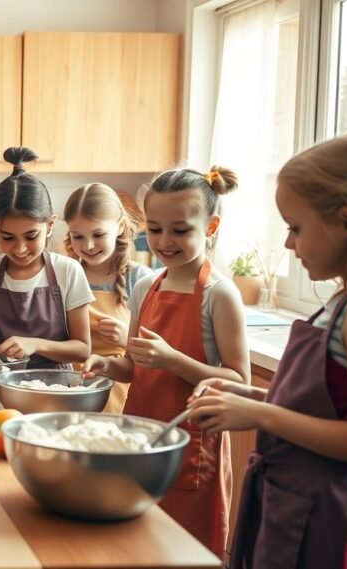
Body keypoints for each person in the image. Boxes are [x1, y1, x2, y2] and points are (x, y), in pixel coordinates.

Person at [189, 133, 347, 568]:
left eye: (296, 227)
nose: (287, 244)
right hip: (293, 504)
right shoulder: (341, 302)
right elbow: (330, 413)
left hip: (333, 520)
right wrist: (251, 398)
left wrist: (262, 415)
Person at [84, 166, 249, 556]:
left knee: (182, 552)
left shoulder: (220, 294)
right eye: (155, 229)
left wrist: (173, 359)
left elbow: (238, 379)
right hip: (139, 441)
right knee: (136, 549)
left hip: (191, 447)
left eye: (180, 229)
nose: (164, 241)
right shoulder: (146, 286)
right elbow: (132, 366)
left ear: (210, 227)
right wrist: (106, 366)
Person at [0, 147, 94, 369]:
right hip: (0, 389)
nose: (20, 248)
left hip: (56, 390)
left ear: (50, 225)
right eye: (7, 237)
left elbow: (82, 349)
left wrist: (36, 345)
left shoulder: (68, 270)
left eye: (31, 236)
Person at [63, 182, 153, 412]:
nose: (89, 245)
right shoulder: (65, 274)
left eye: (98, 234)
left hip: (120, 391)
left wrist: (126, 338)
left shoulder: (140, 278)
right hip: (69, 389)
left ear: (120, 226)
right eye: (78, 236)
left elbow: (158, 349)